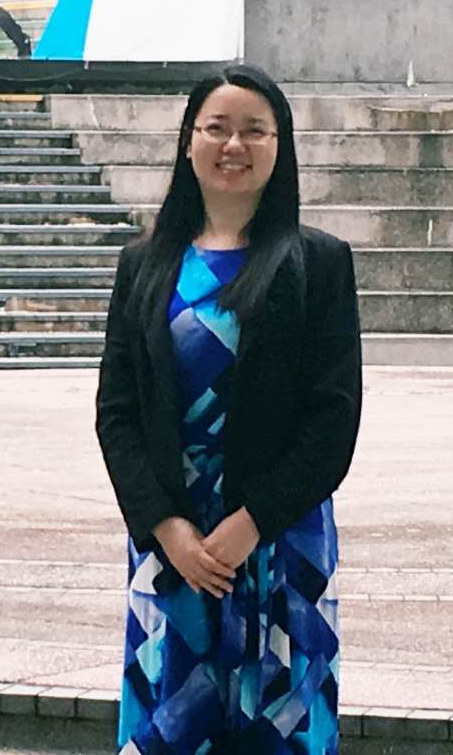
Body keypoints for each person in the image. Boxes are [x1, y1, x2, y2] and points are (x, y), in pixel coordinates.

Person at [95, 64, 363, 755]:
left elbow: (333, 422)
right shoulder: (145, 265)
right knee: (171, 728)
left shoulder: (319, 264)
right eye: (216, 128)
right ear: (189, 141)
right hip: (173, 544)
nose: (233, 145)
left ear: (281, 145)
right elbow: (117, 413)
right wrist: (168, 529)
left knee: (280, 727)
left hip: (280, 540)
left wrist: (250, 525)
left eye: (254, 131)